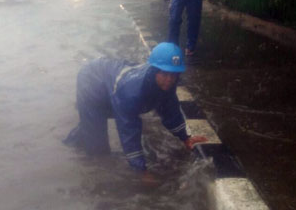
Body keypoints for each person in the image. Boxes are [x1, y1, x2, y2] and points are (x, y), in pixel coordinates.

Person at [64, 42, 207, 182]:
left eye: (174, 75)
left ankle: (77, 138)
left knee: (93, 125)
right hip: (91, 81)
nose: (169, 80)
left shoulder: (165, 85)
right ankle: (69, 149)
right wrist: (141, 170)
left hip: (111, 85)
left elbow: (171, 111)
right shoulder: (132, 92)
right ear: (154, 70)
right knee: (99, 151)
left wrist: (185, 138)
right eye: (164, 73)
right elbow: (129, 129)